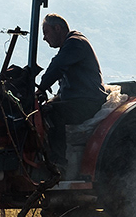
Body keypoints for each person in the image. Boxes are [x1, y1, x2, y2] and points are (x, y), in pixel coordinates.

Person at [37, 13, 108, 168]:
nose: (44, 38)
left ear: (57, 28)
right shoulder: (70, 46)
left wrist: (41, 88)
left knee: (53, 112)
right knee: (40, 109)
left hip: (88, 102)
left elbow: (57, 65)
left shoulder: (75, 43)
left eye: (46, 32)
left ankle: (57, 163)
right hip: (77, 100)